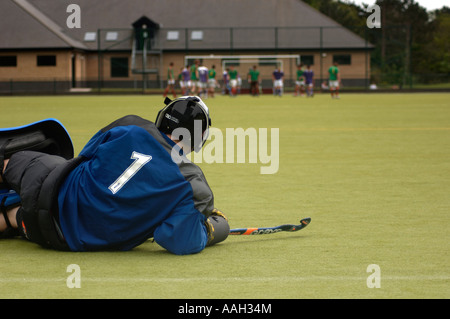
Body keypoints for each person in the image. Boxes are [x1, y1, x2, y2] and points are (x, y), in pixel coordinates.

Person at [0, 96, 230, 255]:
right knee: (14, 216)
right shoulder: (195, 186)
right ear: (198, 139)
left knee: (15, 161)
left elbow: (84, 157)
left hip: (52, 192)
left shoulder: (130, 124)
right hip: (59, 237)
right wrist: (210, 229)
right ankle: (12, 213)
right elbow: (176, 239)